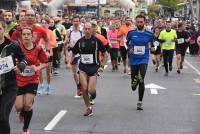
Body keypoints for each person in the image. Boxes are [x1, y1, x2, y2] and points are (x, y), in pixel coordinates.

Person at [15, 27, 48, 134]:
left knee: (28, 105)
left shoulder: (38, 49)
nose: (26, 36)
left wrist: (37, 68)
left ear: (32, 36)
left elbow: (45, 62)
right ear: (21, 36)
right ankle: (22, 112)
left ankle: (25, 129)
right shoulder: (17, 48)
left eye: (28, 34)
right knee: (19, 107)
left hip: (32, 79)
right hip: (18, 80)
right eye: (24, 34)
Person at [72, 22, 109, 116]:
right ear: (83, 30)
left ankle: (93, 95)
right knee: (84, 89)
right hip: (83, 67)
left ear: (92, 30)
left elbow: (106, 54)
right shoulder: (80, 41)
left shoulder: (97, 41)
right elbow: (72, 52)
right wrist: (70, 62)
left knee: (91, 90)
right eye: (86, 29)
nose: (87, 31)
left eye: (89, 29)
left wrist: (102, 66)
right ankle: (88, 108)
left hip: (93, 67)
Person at [0, 21, 26, 134]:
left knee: (3, 117)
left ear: (3, 29)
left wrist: (21, 66)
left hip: (9, 87)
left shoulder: (13, 45)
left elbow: (24, 58)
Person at [126, 15, 154, 110]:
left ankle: (140, 102)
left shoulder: (149, 34)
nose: (139, 24)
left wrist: (152, 48)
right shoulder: (131, 33)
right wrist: (129, 49)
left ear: (144, 22)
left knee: (141, 79)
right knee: (134, 84)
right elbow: (126, 43)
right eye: (138, 22)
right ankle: (133, 83)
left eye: (141, 22)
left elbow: (154, 45)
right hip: (134, 60)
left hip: (144, 59)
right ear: (135, 22)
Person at [64, 16, 83, 98]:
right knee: (74, 73)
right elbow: (65, 42)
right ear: (72, 22)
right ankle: (78, 86)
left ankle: (82, 86)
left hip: (80, 52)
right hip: (72, 52)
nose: (76, 22)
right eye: (74, 21)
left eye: (77, 21)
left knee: (80, 70)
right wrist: (65, 42)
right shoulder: (69, 31)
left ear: (79, 22)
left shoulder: (82, 30)